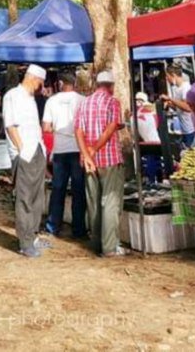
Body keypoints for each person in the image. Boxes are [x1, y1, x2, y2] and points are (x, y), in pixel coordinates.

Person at [75, 70, 126, 258]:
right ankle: (110, 247)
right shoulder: (113, 102)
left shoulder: (84, 103)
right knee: (110, 202)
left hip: (89, 161)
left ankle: (96, 242)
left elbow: (78, 131)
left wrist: (86, 154)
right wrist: (95, 149)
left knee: (93, 202)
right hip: (110, 158)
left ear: (97, 85)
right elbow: (111, 127)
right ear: (111, 86)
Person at [3, 64, 49, 257]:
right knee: (25, 198)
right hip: (24, 154)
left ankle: (33, 235)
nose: (41, 87)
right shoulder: (12, 96)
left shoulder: (31, 98)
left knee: (38, 197)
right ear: (32, 79)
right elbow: (10, 125)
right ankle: (25, 242)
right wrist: (21, 148)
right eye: (40, 83)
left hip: (37, 151)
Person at [41, 73, 87, 240]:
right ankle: (79, 229)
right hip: (77, 148)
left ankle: (53, 226)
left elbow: (46, 127)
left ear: (60, 83)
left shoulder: (52, 101)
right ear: (74, 83)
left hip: (60, 149)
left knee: (58, 189)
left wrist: (58, 130)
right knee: (78, 190)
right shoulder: (82, 100)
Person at [164, 65, 195, 153]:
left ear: (173, 75)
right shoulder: (176, 89)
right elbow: (179, 107)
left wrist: (171, 99)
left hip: (191, 128)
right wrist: (170, 104)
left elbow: (188, 107)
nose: (167, 79)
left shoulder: (186, 88)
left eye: (168, 76)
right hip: (184, 129)